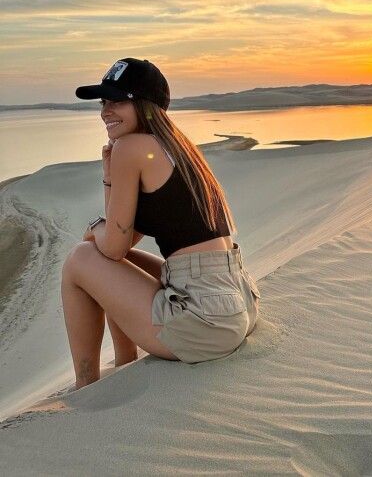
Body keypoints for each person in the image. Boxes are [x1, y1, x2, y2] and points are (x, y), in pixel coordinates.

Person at [61, 57, 260, 389]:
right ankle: (125, 363)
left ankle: (86, 386)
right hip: (235, 304)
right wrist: (110, 179)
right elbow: (120, 245)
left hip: (204, 322)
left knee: (79, 260)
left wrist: (93, 228)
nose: (105, 111)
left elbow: (110, 245)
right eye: (103, 101)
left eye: (117, 100)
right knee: (104, 259)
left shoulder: (131, 146)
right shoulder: (176, 148)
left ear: (145, 104)